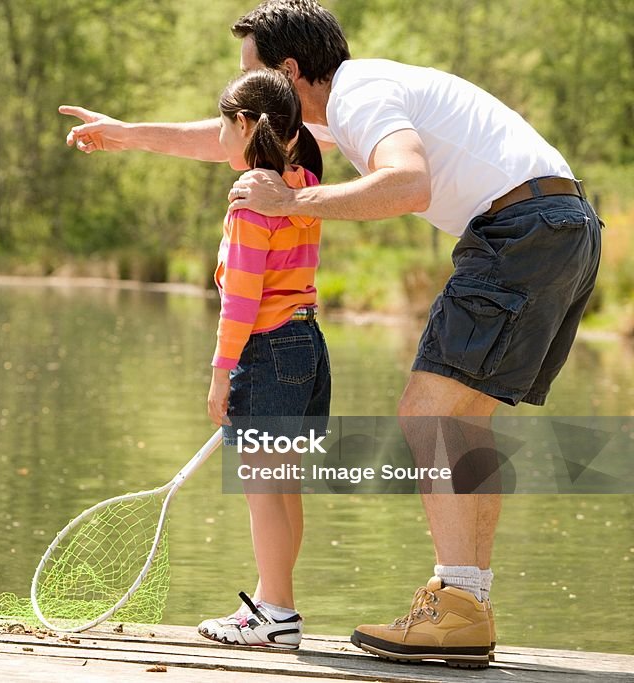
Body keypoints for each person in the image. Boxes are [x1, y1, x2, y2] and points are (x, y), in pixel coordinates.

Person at [59, 0, 602, 670]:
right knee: (460, 420)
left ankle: (458, 607)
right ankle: (465, 603)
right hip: (562, 224)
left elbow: (406, 182)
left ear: (289, 71)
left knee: (429, 412)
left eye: (255, 76)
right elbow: (226, 134)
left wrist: (292, 202)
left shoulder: (362, 96)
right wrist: (126, 134)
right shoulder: (350, 102)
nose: (248, 96)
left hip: (522, 228)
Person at [200, 68, 330, 649]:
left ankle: (276, 615)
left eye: (224, 125)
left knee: (262, 492)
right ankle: (272, 604)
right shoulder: (301, 186)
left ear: (247, 124)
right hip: (307, 346)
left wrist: (221, 374)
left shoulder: (253, 201)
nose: (220, 137)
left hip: (268, 349)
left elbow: (242, 300)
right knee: (285, 488)